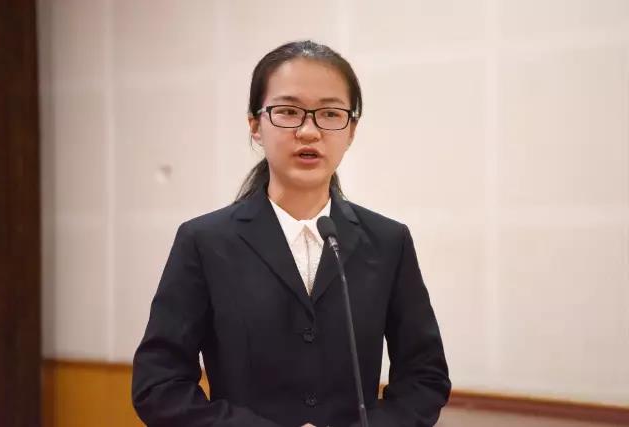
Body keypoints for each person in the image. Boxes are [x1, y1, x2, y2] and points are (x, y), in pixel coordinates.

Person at [132, 40, 451, 427]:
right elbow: (159, 385)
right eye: (288, 111)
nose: (309, 131)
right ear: (255, 125)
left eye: (330, 114)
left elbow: (424, 378)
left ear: (351, 130)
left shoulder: (388, 242)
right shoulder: (205, 242)